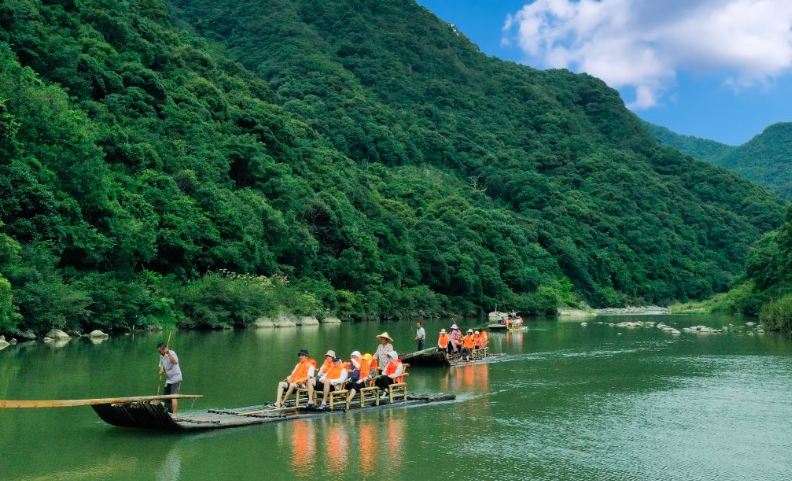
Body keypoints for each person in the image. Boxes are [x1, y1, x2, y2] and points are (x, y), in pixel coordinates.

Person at [157, 342, 182, 417]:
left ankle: (175, 414)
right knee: (165, 397)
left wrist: (169, 354)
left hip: (176, 378)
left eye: (160, 351)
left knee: (173, 396)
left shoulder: (172, 353)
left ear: (164, 349)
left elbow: (174, 362)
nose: (159, 353)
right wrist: (161, 370)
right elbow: (162, 365)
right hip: (169, 379)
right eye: (158, 352)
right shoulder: (161, 356)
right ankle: (169, 412)